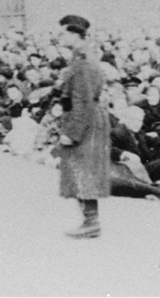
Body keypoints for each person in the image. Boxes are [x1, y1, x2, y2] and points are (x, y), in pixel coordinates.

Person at [55, 15, 110, 239]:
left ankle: (91, 222)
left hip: (86, 121)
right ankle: (90, 221)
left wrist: (72, 133)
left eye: (62, 33)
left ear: (74, 34)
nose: (59, 37)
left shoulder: (84, 61)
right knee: (81, 169)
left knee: (84, 169)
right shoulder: (81, 57)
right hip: (86, 118)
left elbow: (84, 100)